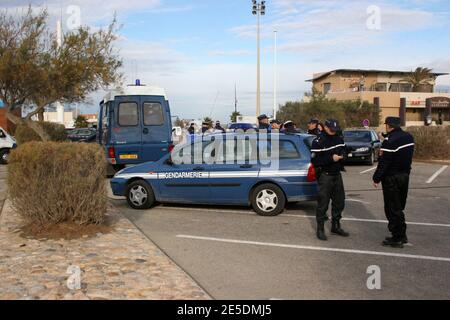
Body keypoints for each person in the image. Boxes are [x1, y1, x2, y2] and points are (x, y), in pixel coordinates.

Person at [373, 117, 414, 248]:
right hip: (404, 176)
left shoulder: (389, 141)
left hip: (392, 178)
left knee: (392, 208)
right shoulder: (408, 137)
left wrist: (376, 178)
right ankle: (402, 235)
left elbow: (384, 163)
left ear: (389, 126)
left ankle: (397, 238)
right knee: (399, 207)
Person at [311, 119, 349, 241]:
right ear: (325, 128)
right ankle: (320, 229)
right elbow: (315, 161)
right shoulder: (318, 141)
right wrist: (331, 159)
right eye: (332, 130)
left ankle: (336, 226)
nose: (334, 132)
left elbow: (344, 149)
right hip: (325, 176)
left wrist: (344, 155)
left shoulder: (338, 137)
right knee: (323, 204)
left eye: (335, 130)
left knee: (340, 202)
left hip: (337, 174)